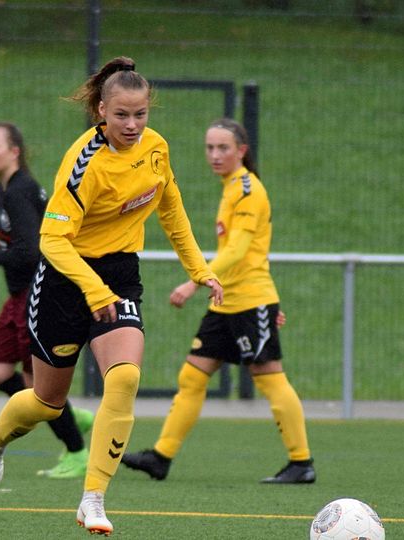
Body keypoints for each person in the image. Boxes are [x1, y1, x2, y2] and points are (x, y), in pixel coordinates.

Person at [0, 57, 223, 535]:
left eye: (141, 114)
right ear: (102, 111)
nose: (132, 125)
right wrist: (92, 290)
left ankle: (93, 498)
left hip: (120, 274)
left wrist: (200, 271)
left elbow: (171, 209)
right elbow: (52, 241)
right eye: (122, 115)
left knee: (124, 377)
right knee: (48, 402)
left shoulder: (156, 148)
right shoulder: (83, 162)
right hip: (66, 279)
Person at [121, 117, 316, 485]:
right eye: (209, 147)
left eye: (223, 148)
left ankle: (301, 462)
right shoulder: (231, 188)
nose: (214, 154)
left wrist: (195, 282)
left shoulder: (248, 189)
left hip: (250, 300)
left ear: (241, 150)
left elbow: (239, 250)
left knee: (269, 378)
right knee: (192, 375)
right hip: (226, 303)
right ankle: (160, 457)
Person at [0, 121, 95, 480]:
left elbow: (32, 253)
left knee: (39, 388)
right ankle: (68, 414)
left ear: (14, 152)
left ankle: (77, 452)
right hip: (17, 297)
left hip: (37, 295)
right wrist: (2, 246)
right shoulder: (5, 187)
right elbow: (25, 240)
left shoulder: (19, 190)